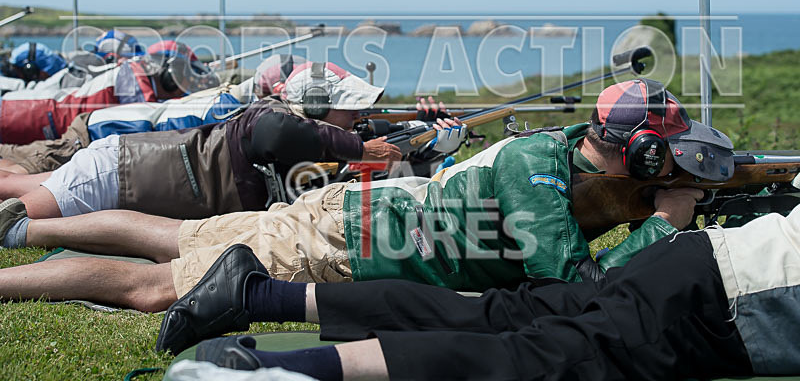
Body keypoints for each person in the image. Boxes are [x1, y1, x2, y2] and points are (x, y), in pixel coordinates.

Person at [0, 79, 727, 314]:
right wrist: (662, 227)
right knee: (159, 286)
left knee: (174, 237)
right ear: (641, 150)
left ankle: (18, 232)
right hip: (349, 244)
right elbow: (572, 289)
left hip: (352, 220)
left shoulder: (554, 152)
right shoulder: (535, 173)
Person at [157, 200, 800, 380]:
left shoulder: (538, 155)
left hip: (713, 263)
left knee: (497, 319)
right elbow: (567, 271)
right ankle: (275, 369)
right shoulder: (534, 165)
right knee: (533, 357)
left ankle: (258, 300)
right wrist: (659, 220)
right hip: (728, 297)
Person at [0, 61, 401, 220]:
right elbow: (279, 134)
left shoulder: (296, 129)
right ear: (314, 106)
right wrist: (360, 149)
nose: (357, 119)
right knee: (16, 217)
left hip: (117, 167)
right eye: (351, 110)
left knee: (14, 184)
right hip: (114, 177)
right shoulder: (270, 118)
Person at [0, 53, 307, 175]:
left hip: (93, 129)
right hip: (90, 132)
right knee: (24, 170)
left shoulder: (225, 97)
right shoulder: (132, 75)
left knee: (20, 158)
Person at [0, 32, 195, 145]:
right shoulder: (131, 76)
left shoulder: (125, 73)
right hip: (28, 115)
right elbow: (150, 118)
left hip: (38, 117)